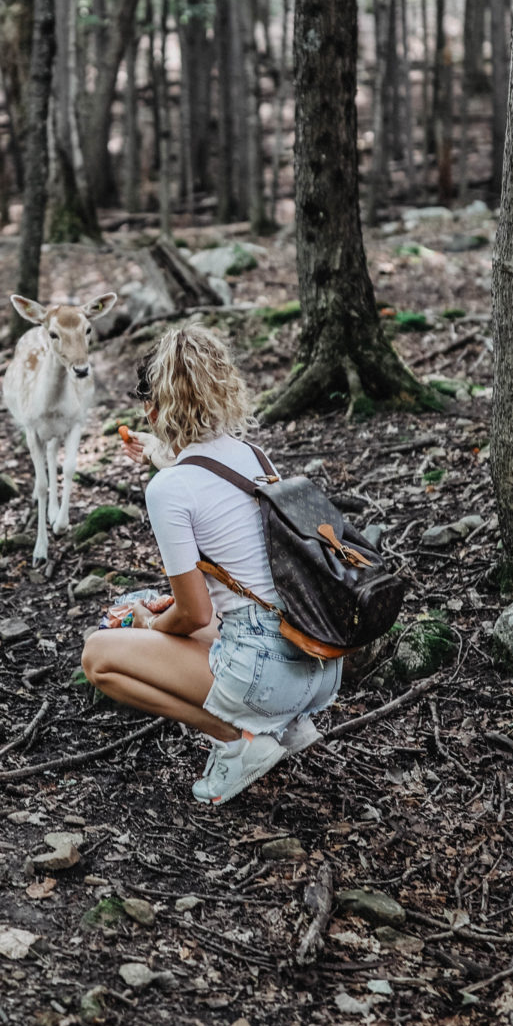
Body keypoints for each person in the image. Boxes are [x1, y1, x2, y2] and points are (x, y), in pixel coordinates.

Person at [81, 324, 342, 805]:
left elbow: (195, 615)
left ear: (154, 406)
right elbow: (209, 481)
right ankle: (289, 727)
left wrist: (152, 623)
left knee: (99, 656)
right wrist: (159, 452)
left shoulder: (168, 491)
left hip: (266, 675)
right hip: (319, 660)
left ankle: (238, 742)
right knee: (225, 617)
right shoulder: (254, 457)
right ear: (223, 389)